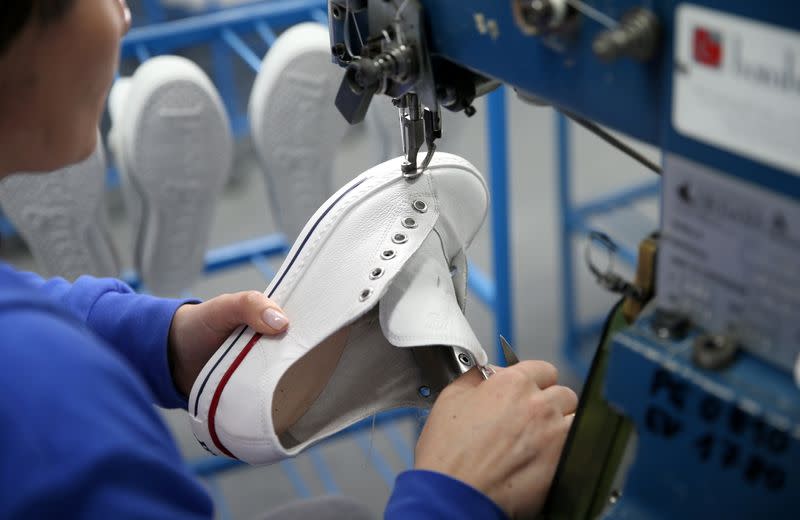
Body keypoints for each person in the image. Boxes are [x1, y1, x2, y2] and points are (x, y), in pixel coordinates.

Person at [0, 1, 577, 518]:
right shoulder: (53, 404)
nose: (124, 13)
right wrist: (456, 492)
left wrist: (157, 340)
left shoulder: (38, 371)